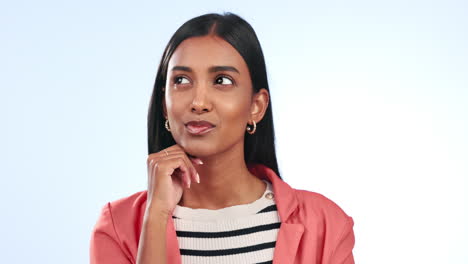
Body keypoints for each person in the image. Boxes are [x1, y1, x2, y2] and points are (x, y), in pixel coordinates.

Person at [90, 12, 355, 264]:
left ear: (257, 106)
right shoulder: (117, 226)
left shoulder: (325, 224)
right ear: (163, 104)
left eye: (222, 81)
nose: (198, 102)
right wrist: (156, 216)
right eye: (181, 80)